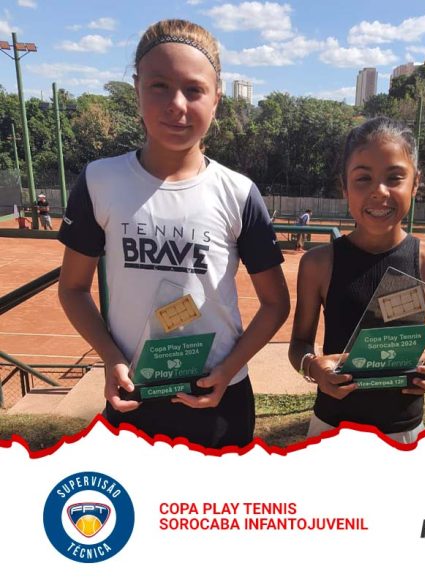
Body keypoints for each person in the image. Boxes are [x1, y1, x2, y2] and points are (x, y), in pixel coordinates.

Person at [57, 19, 290, 448]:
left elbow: (276, 304)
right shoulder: (99, 181)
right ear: (137, 90)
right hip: (133, 396)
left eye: (194, 90)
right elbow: (72, 289)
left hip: (218, 399)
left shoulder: (239, 193)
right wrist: (111, 357)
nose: (176, 105)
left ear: (217, 99)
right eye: (159, 86)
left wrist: (227, 370)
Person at [288, 117, 425, 443]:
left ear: (415, 183)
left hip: (404, 431)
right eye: (363, 179)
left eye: (394, 178)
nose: (379, 192)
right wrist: (313, 369)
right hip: (331, 428)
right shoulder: (318, 263)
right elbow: (299, 344)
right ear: (344, 187)